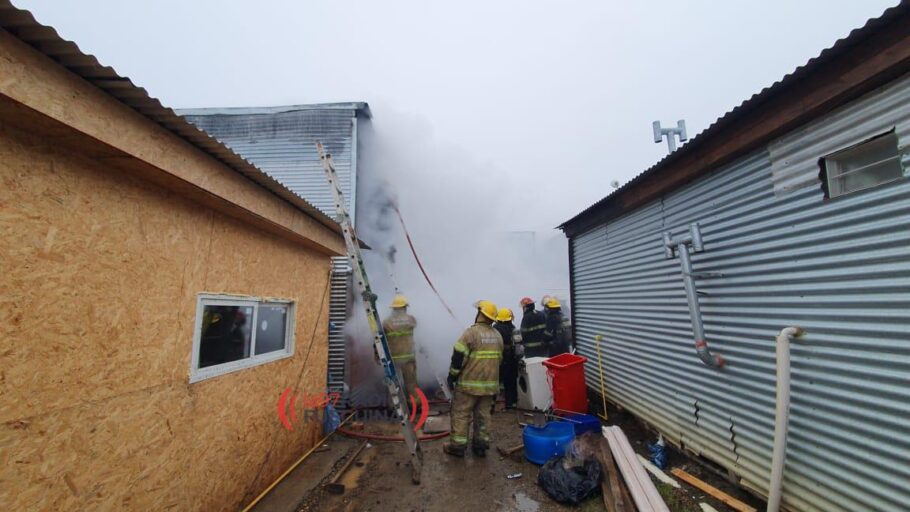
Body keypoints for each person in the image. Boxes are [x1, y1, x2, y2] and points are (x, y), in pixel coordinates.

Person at [444, 300, 503, 458]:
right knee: (483, 415)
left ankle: (457, 446)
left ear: (480, 314)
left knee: (461, 414)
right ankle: (480, 446)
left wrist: (452, 376)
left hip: (468, 386)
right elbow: (499, 361)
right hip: (489, 386)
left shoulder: (471, 333)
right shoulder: (497, 336)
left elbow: (458, 356)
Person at [381, 295, 418, 398]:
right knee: (411, 384)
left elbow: (381, 337)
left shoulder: (386, 322)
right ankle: (415, 405)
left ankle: (392, 407)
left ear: (393, 308)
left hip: (393, 359)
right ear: (404, 307)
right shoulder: (411, 320)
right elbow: (414, 325)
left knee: (393, 384)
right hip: (408, 358)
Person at [493, 308, 520, 409]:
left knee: (495, 381)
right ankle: (511, 404)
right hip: (511, 359)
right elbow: (518, 345)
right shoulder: (513, 328)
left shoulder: (495, 328)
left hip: (497, 359)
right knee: (511, 382)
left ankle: (490, 404)